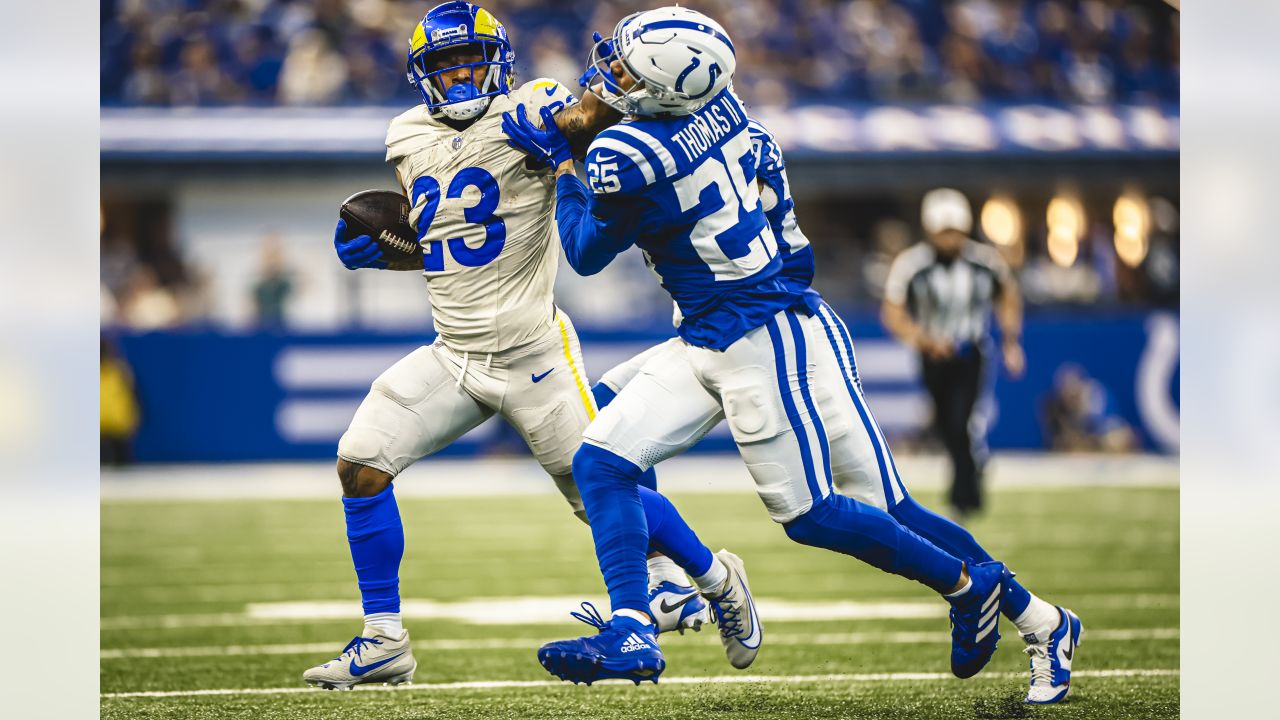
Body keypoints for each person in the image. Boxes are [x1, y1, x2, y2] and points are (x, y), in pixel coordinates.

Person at [503, 7, 1081, 704]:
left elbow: (587, 252)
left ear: (667, 88)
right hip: (736, 321)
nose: (606, 74)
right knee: (603, 458)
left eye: (625, 68)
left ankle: (974, 587)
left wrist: (564, 163)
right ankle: (635, 622)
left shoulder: (628, 158)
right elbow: (769, 221)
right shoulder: (732, 109)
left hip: (758, 336)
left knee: (819, 515)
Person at [301, 1, 740, 690]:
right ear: (422, 76)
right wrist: (389, 250)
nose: (459, 74)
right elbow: (451, 236)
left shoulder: (531, 104)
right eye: (444, 65)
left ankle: (709, 579)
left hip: (532, 354)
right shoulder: (408, 135)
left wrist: (589, 116)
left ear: (499, 61)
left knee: (599, 492)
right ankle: (384, 640)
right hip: (454, 353)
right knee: (360, 464)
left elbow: (585, 121)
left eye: (470, 58)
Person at [881, 188, 1025, 520]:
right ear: (930, 229)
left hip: (970, 351)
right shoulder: (912, 263)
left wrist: (1011, 340)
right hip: (932, 356)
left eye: (955, 230)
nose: (950, 238)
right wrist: (923, 338)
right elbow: (893, 312)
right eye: (943, 230)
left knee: (961, 422)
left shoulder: (983, 261)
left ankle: (964, 498)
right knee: (947, 427)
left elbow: (1008, 295)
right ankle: (973, 468)